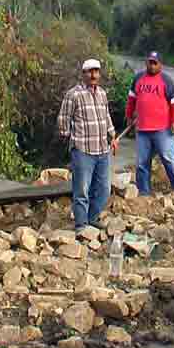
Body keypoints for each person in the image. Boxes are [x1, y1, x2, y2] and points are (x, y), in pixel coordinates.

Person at [57, 59, 118, 232]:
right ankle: (81, 225)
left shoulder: (102, 94)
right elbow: (63, 120)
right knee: (81, 191)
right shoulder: (73, 94)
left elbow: (106, 118)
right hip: (83, 150)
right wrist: (71, 139)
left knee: (104, 190)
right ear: (83, 74)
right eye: (89, 72)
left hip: (102, 150)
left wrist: (113, 136)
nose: (93, 75)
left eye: (96, 71)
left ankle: (91, 218)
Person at [125, 51, 174, 195]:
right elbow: (131, 100)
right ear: (146, 62)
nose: (152, 65)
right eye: (150, 62)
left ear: (160, 64)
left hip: (163, 129)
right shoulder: (138, 79)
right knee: (142, 163)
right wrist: (129, 116)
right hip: (142, 129)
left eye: (155, 63)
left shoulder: (166, 80)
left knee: (169, 158)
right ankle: (144, 192)